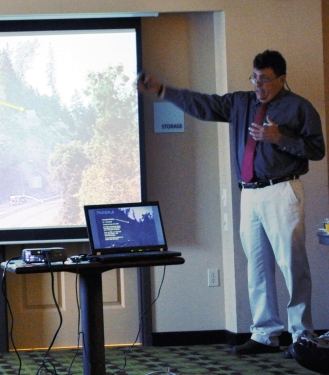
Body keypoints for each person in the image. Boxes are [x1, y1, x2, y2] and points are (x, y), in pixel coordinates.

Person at [137, 50, 326, 355]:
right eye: (254, 77)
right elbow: (203, 104)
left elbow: (317, 150)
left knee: (292, 265)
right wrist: (162, 90)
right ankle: (265, 334)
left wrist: (279, 138)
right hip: (249, 194)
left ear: (281, 79)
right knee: (257, 265)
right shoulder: (240, 102)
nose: (257, 84)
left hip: (283, 190)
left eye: (264, 79)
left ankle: (301, 335)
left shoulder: (299, 108)